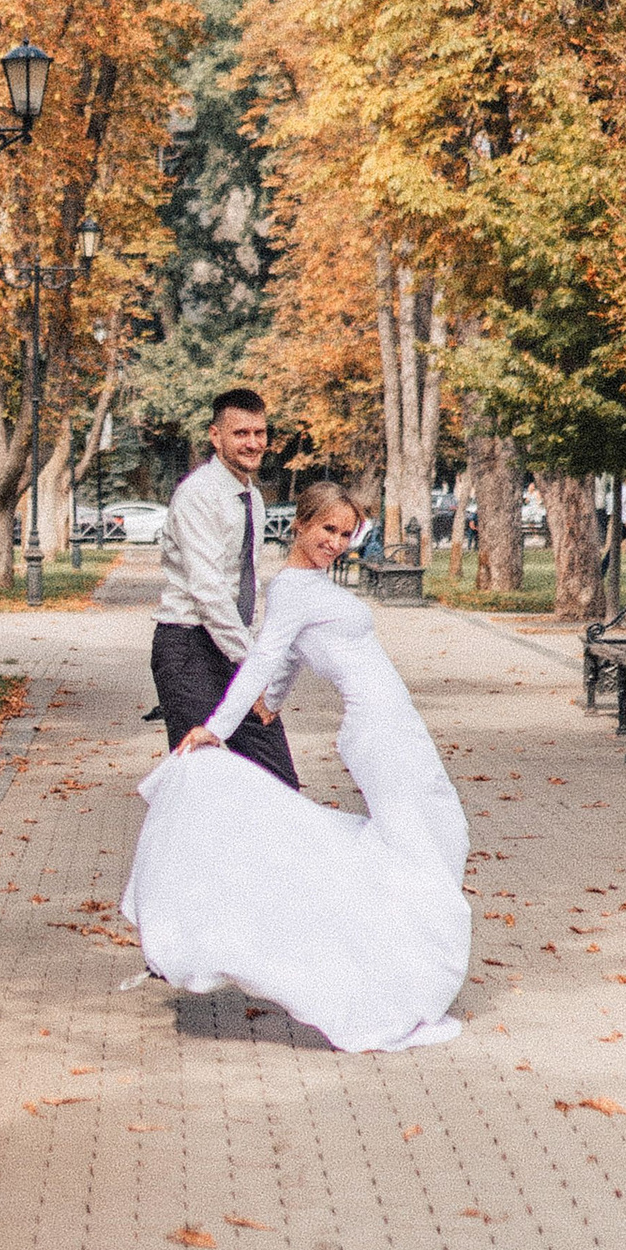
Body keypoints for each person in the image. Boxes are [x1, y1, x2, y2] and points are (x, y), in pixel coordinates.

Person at [123, 476, 472, 1052]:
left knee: (437, 835)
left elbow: (282, 666)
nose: (336, 542)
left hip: (398, 727)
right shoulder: (291, 587)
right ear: (301, 524)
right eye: (327, 530)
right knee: (424, 842)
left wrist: (271, 706)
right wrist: (218, 727)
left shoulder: (307, 586)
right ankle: (392, 980)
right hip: (379, 731)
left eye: (346, 534)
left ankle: (397, 964)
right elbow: (261, 659)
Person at [151, 385, 296, 791]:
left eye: (259, 433)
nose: (253, 443)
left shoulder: (251, 496)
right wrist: (254, 667)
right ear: (216, 436)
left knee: (278, 780)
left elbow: (246, 583)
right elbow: (210, 592)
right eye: (241, 434)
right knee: (200, 780)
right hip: (188, 649)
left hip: (232, 645)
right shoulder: (198, 495)